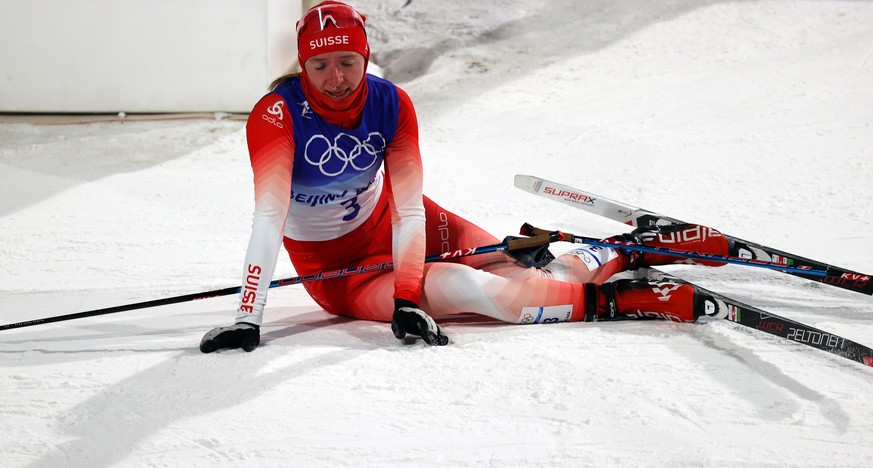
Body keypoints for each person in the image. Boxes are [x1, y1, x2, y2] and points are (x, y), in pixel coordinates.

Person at [199, 1, 730, 353]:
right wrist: (250, 316)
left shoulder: (391, 102)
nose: (335, 79)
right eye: (319, 67)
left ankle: (626, 251)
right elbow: (268, 219)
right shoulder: (276, 116)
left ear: (366, 57)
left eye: (347, 62)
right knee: (478, 290)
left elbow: (409, 209)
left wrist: (408, 295)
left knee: (523, 263)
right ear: (302, 66)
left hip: (400, 223)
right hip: (341, 273)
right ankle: (627, 300)